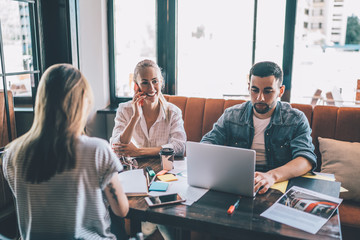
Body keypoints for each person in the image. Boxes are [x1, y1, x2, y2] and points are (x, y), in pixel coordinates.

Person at [1, 64, 129, 239]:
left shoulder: (12, 154)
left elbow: (35, 205)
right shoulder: (97, 150)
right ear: (82, 102)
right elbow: (121, 210)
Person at [201, 61, 317, 195]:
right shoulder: (232, 115)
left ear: (281, 91)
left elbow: (306, 159)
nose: (260, 98)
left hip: (278, 183)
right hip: (238, 182)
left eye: (268, 91)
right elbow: (207, 145)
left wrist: (272, 176)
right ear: (249, 87)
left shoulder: (295, 119)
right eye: (254, 90)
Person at [110, 59, 186, 158]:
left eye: (155, 81)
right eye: (145, 83)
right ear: (136, 86)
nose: (151, 88)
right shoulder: (124, 109)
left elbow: (180, 147)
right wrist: (135, 117)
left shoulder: (173, 112)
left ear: (161, 82)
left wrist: (139, 152)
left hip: (163, 168)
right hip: (135, 168)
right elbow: (116, 148)